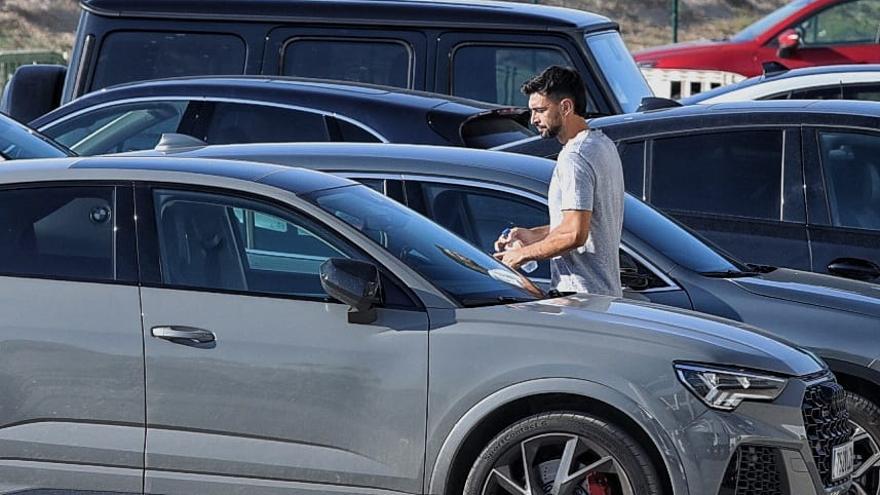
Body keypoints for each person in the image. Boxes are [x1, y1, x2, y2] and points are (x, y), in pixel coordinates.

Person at [494, 65, 624, 297]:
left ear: (565, 107)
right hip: (601, 296)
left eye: (541, 110)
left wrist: (522, 254)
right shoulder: (602, 144)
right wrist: (532, 236)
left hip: (580, 297)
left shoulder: (575, 157)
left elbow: (575, 234)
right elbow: (583, 223)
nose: (533, 119)